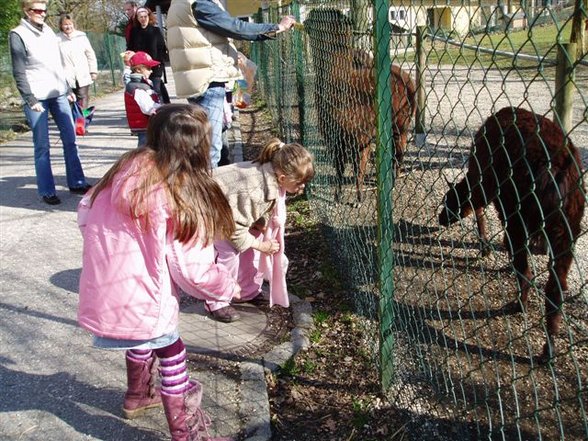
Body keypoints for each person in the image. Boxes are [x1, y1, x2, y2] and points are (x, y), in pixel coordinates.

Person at [77, 104, 238, 441]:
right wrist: (225, 286)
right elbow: (192, 270)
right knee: (171, 348)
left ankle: (137, 396)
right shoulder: (177, 190)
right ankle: (185, 431)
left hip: (113, 288)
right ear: (198, 148)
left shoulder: (127, 168)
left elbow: (85, 212)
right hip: (148, 294)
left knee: (145, 336)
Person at [167, 0, 297, 168]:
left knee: (208, 140)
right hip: (208, 79)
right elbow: (235, 27)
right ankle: (207, 190)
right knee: (210, 149)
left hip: (197, 77)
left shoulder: (179, 3)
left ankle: (211, 183)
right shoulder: (199, 3)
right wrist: (278, 27)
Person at [207, 138, 314, 322]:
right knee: (228, 255)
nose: (302, 188)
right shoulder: (256, 190)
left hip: (230, 211)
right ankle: (217, 301)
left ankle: (247, 291)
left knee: (248, 247)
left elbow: (255, 209)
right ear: (283, 178)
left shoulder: (271, 175)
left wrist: (259, 224)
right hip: (209, 209)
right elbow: (234, 229)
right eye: (299, 183)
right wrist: (261, 245)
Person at [9, 0, 92, 205]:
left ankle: (77, 181)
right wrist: (29, 99)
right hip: (37, 97)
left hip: (59, 93)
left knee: (70, 138)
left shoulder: (48, 32)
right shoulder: (18, 34)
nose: (42, 14)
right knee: (42, 146)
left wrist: (69, 89)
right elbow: (19, 71)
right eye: (37, 10)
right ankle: (47, 190)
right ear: (27, 11)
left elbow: (58, 64)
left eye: (44, 10)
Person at [128, 6, 171, 104]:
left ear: (149, 17)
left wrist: (160, 63)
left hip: (155, 66)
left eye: (145, 16)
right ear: (137, 19)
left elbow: (161, 48)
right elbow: (130, 47)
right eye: (141, 17)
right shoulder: (134, 32)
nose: (143, 19)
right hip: (141, 67)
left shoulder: (155, 31)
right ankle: (163, 105)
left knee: (156, 89)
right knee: (147, 88)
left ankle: (162, 109)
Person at [57, 14, 98, 110]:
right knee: (69, 100)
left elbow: (90, 54)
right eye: (65, 24)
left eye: (70, 24)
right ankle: (72, 121)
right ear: (61, 26)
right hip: (66, 76)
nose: (68, 27)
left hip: (82, 74)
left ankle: (81, 122)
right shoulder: (57, 39)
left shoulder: (81, 37)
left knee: (82, 97)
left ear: (73, 24)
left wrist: (93, 71)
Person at [124, 51, 162, 147]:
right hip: (144, 126)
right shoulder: (138, 88)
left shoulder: (142, 84)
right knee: (145, 151)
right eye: (148, 68)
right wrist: (163, 109)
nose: (151, 71)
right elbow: (148, 108)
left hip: (146, 125)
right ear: (138, 70)